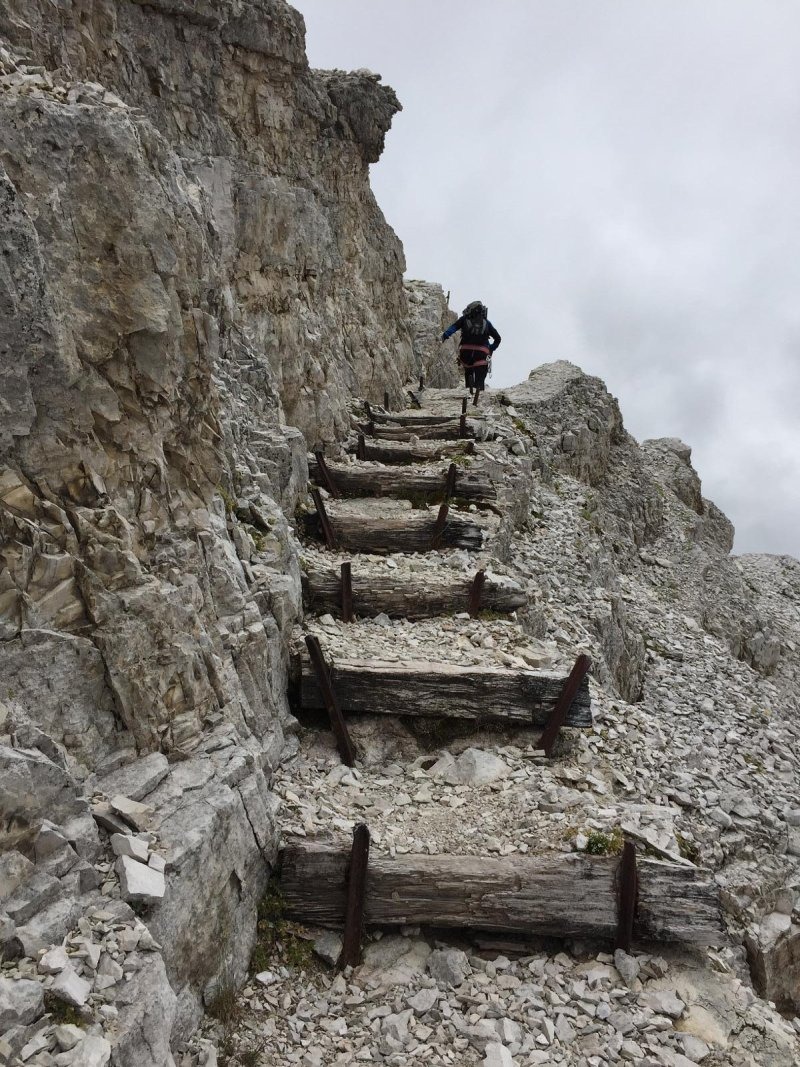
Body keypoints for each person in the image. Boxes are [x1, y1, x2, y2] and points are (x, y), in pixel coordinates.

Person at [441, 300, 501, 400]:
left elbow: (453, 328)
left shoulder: (464, 319)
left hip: (466, 352)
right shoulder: (486, 323)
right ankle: (478, 395)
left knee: (468, 371)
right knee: (480, 377)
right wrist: (490, 349)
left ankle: (468, 393)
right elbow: (498, 339)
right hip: (482, 354)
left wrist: (445, 336)